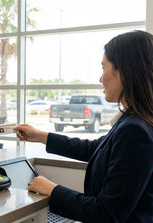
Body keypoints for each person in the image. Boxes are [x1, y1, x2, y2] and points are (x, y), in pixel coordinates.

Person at [14, 30, 153, 222]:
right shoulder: (135, 121)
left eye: (104, 68)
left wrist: (53, 190)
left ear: (124, 71)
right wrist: (40, 136)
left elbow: (107, 214)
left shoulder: (135, 130)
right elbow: (96, 149)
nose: (100, 78)